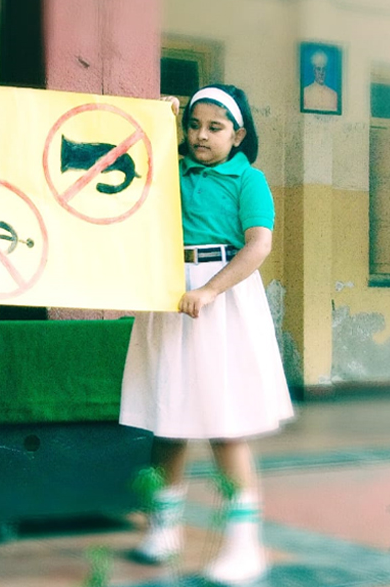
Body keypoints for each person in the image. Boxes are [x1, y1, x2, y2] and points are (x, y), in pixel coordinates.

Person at [119, 84, 294, 585]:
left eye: (215, 128)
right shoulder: (170, 171)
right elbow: (126, 167)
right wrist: (156, 120)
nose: (201, 135)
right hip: (172, 295)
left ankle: (244, 546)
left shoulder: (249, 179)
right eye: (193, 125)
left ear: (238, 134)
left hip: (223, 300)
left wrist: (212, 289)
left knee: (225, 424)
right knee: (167, 420)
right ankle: (163, 530)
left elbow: (258, 245)